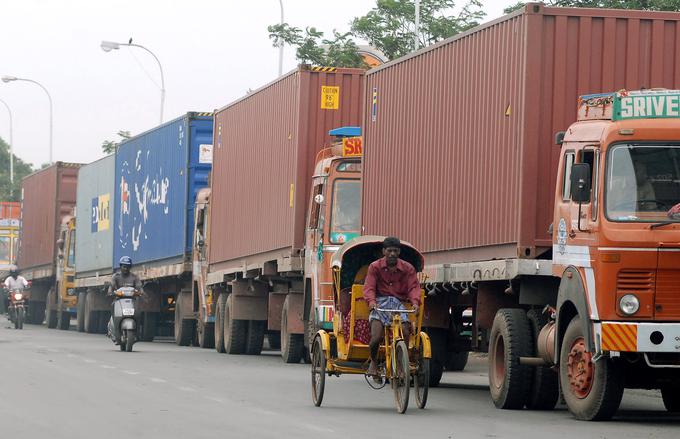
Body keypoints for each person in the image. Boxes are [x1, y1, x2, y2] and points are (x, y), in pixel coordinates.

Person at [363, 236, 421, 380]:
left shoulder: (408, 269)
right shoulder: (374, 267)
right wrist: (372, 302)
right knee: (376, 337)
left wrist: (415, 302)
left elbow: (413, 287)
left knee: (406, 330)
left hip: (398, 304)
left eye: (395, 251)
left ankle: (401, 365)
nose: (392, 254)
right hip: (379, 305)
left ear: (399, 252)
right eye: (389, 251)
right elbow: (369, 287)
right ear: (384, 251)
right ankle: (374, 363)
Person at [107, 256, 142, 338]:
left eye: (128, 266)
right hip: (118, 300)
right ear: (120, 266)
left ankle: (138, 332)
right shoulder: (116, 277)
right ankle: (112, 328)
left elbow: (139, 287)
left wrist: (140, 292)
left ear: (130, 267)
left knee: (139, 312)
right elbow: (111, 287)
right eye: (124, 266)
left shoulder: (134, 277)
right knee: (112, 306)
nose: (126, 268)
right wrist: (111, 292)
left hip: (132, 300)